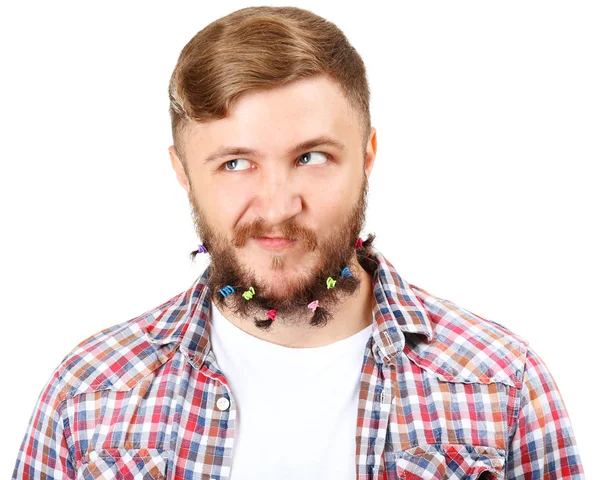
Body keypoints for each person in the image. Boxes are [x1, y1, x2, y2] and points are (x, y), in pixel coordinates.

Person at [13, 6, 584, 479]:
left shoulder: (503, 387)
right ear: (183, 172)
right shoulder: (87, 398)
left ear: (367, 157)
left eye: (311, 157)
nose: (278, 206)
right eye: (236, 163)